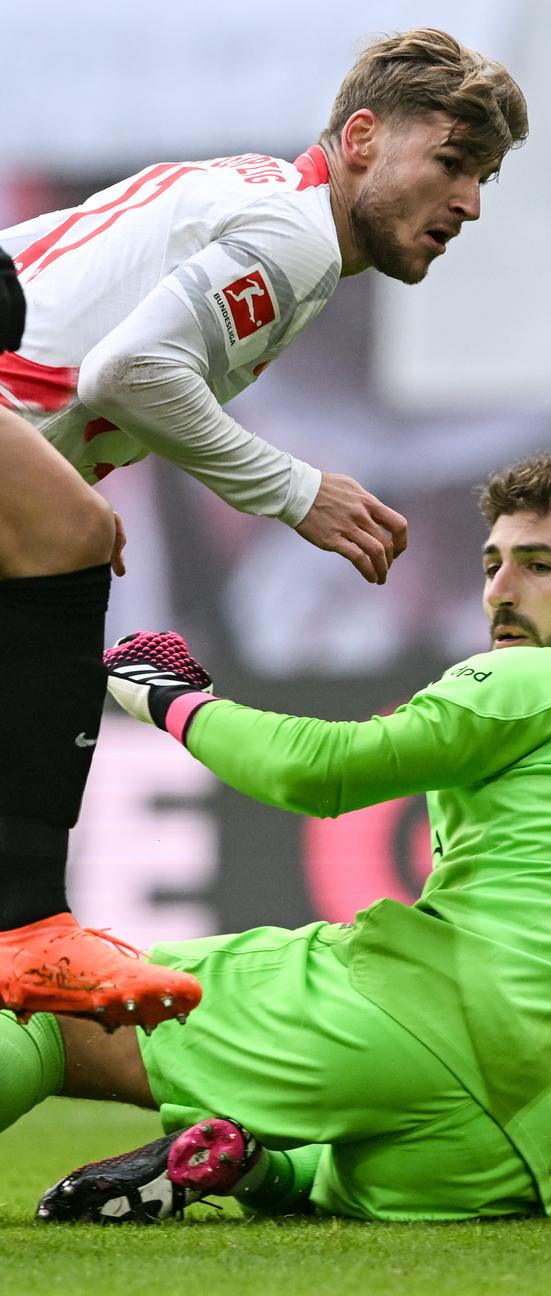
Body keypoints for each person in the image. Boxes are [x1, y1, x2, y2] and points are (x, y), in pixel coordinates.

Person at [6, 454, 551, 1223]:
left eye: (539, 565)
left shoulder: (549, 677)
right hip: (508, 1156)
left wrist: (171, 702)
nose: (502, 591)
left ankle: (253, 1138)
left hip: (404, 1026)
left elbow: (322, 772)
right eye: (491, 564)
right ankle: (254, 1167)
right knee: (320, 1178)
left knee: (50, 997)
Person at [0, 27, 529, 585]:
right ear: (362, 138)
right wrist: (298, 491)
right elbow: (129, 372)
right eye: (450, 163)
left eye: (481, 178)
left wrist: (53, 489)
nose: (470, 204)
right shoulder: (301, 236)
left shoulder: (244, 184)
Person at [0, 248, 202, 1029]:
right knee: (68, 528)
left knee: (66, 527)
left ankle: (29, 920)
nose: (469, 204)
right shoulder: (289, 241)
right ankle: (27, 920)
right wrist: (295, 493)